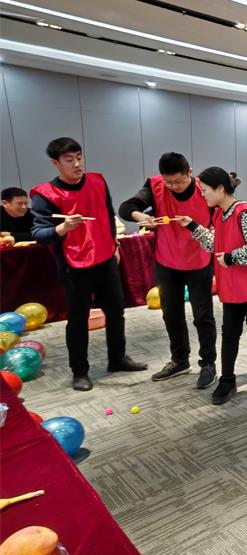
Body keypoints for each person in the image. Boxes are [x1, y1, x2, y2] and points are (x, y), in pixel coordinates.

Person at [30, 137, 147, 391]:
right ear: (55, 163)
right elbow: (39, 234)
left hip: (105, 258)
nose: (77, 164)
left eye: (79, 157)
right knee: (78, 319)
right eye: (69, 160)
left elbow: (108, 215)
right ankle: (80, 371)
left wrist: (114, 244)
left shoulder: (97, 181)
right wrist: (63, 227)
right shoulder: (45, 194)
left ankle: (117, 358)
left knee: (116, 312)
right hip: (73, 266)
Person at [177, 168, 247, 404]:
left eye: (205, 190)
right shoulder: (219, 214)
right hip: (233, 285)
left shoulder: (244, 212)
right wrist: (193, 226)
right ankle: (227, 381)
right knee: (229, 334)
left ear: (220, 189)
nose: (202, 195)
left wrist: (231, 257)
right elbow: (216, 245)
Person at [120, 152, 217, 388]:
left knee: (203, 316)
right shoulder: (155, 186)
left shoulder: (204, 189)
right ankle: (180, 360)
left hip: (199, 261)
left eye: (179, 181)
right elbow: (126, 207)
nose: (173, 186)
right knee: (171, 314)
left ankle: (208, 363)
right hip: (166, 261)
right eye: (169, 182)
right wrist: (141, 216)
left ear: (190, 173)